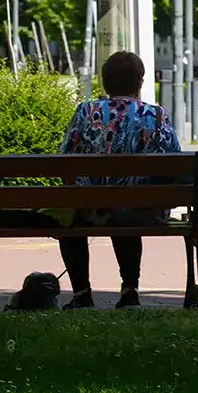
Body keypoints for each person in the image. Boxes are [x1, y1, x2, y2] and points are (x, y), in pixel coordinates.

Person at [57, 51, 182, 309]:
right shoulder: (155, 115)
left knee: (72, 214)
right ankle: (129, 290)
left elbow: (64, 158)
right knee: (126, 209)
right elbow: (174, 162)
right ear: (140, 82)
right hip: (142, 211)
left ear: (105, 82)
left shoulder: (86, 111)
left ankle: (81, 293)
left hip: (90, 209)